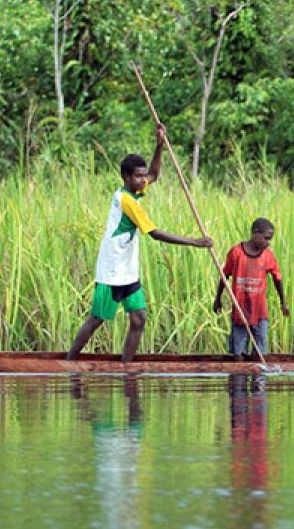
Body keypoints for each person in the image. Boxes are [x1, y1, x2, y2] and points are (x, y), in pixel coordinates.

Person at [66, 124, 212, 362]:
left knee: (139, 318)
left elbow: (155, 174)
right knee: (97, 319)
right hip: (112, 271)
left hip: (127, 271)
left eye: (143, 175)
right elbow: (154, 233)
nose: (144, 180)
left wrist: (159, 146)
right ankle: (69, 362)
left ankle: (126, 367)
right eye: (138, 176)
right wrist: (195, 242)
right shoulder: (126, 201)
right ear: (125, 177)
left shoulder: (136, 189)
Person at [213, 217, 289, 360]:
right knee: (237, 352)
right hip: (240, 310)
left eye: (270, 239)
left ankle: (258, 381)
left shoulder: (268, 256)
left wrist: (283, 301)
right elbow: (224, 276)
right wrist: (217, 299)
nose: (268, 243)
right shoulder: (236, 253)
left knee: (260, 353)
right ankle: (238, 379)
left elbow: (277, 278)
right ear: (255, 233)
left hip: (260, 311)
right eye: (266, 238)